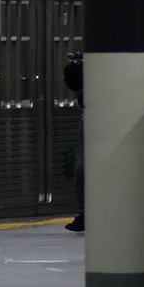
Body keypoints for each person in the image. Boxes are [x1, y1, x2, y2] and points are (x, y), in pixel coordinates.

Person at [63, 51, 85, 232]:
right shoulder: (91, 59)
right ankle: (85, 213)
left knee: (84, 168)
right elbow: (75, 84)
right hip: (89, 117)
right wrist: (73, 68)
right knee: (83, 169)